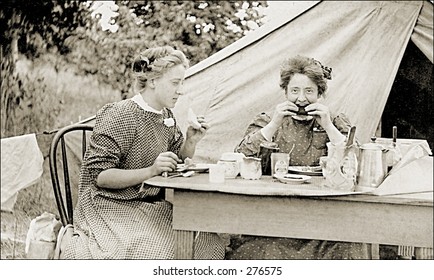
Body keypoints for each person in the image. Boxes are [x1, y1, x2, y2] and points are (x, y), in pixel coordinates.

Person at [61, 46, 225, 259]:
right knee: (158, 251)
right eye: (175, 83)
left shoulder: (166, 116)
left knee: (208, 243)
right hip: (109, 203)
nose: (181, 90)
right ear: (153, 81)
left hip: (147, 205)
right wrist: (151, 171)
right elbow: (100, 177)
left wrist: (191, 141)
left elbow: (176, 161)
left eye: (182, 82)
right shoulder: (120, 115)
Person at [228, 55, 369, 259]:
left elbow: (356, 161)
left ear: (320, 93)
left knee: (348, 247)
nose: (301, 99)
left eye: (309, 91)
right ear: (285, 92)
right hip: (274, 217)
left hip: (324, 217)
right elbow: (240, 156)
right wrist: (274, 124)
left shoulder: (335, 122)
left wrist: (328, 126)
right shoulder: (268, 121)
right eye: (294, 91)